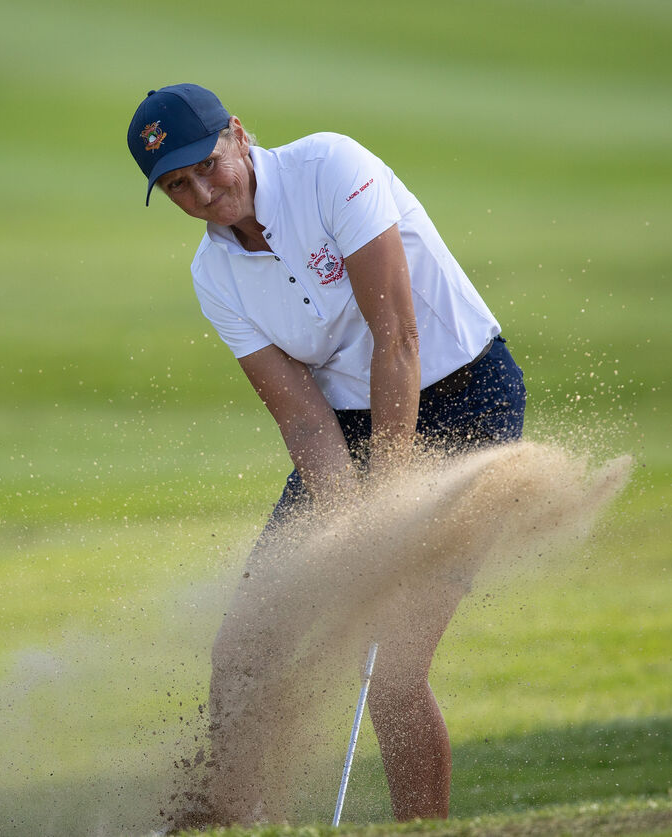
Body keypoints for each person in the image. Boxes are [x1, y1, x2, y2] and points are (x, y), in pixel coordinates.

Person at [127, 83, 526, 825]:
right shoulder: (213, 275)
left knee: (394, 671)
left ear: (238, 135)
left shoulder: (331, 168)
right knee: (244, 651)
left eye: (208, 164)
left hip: (467, 398)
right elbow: (307, 423)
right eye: (178, 185)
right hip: (343, 428)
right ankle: (230, 817)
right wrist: (351, 521)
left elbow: (397, 338)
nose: (203, 191)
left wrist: (389, 505)